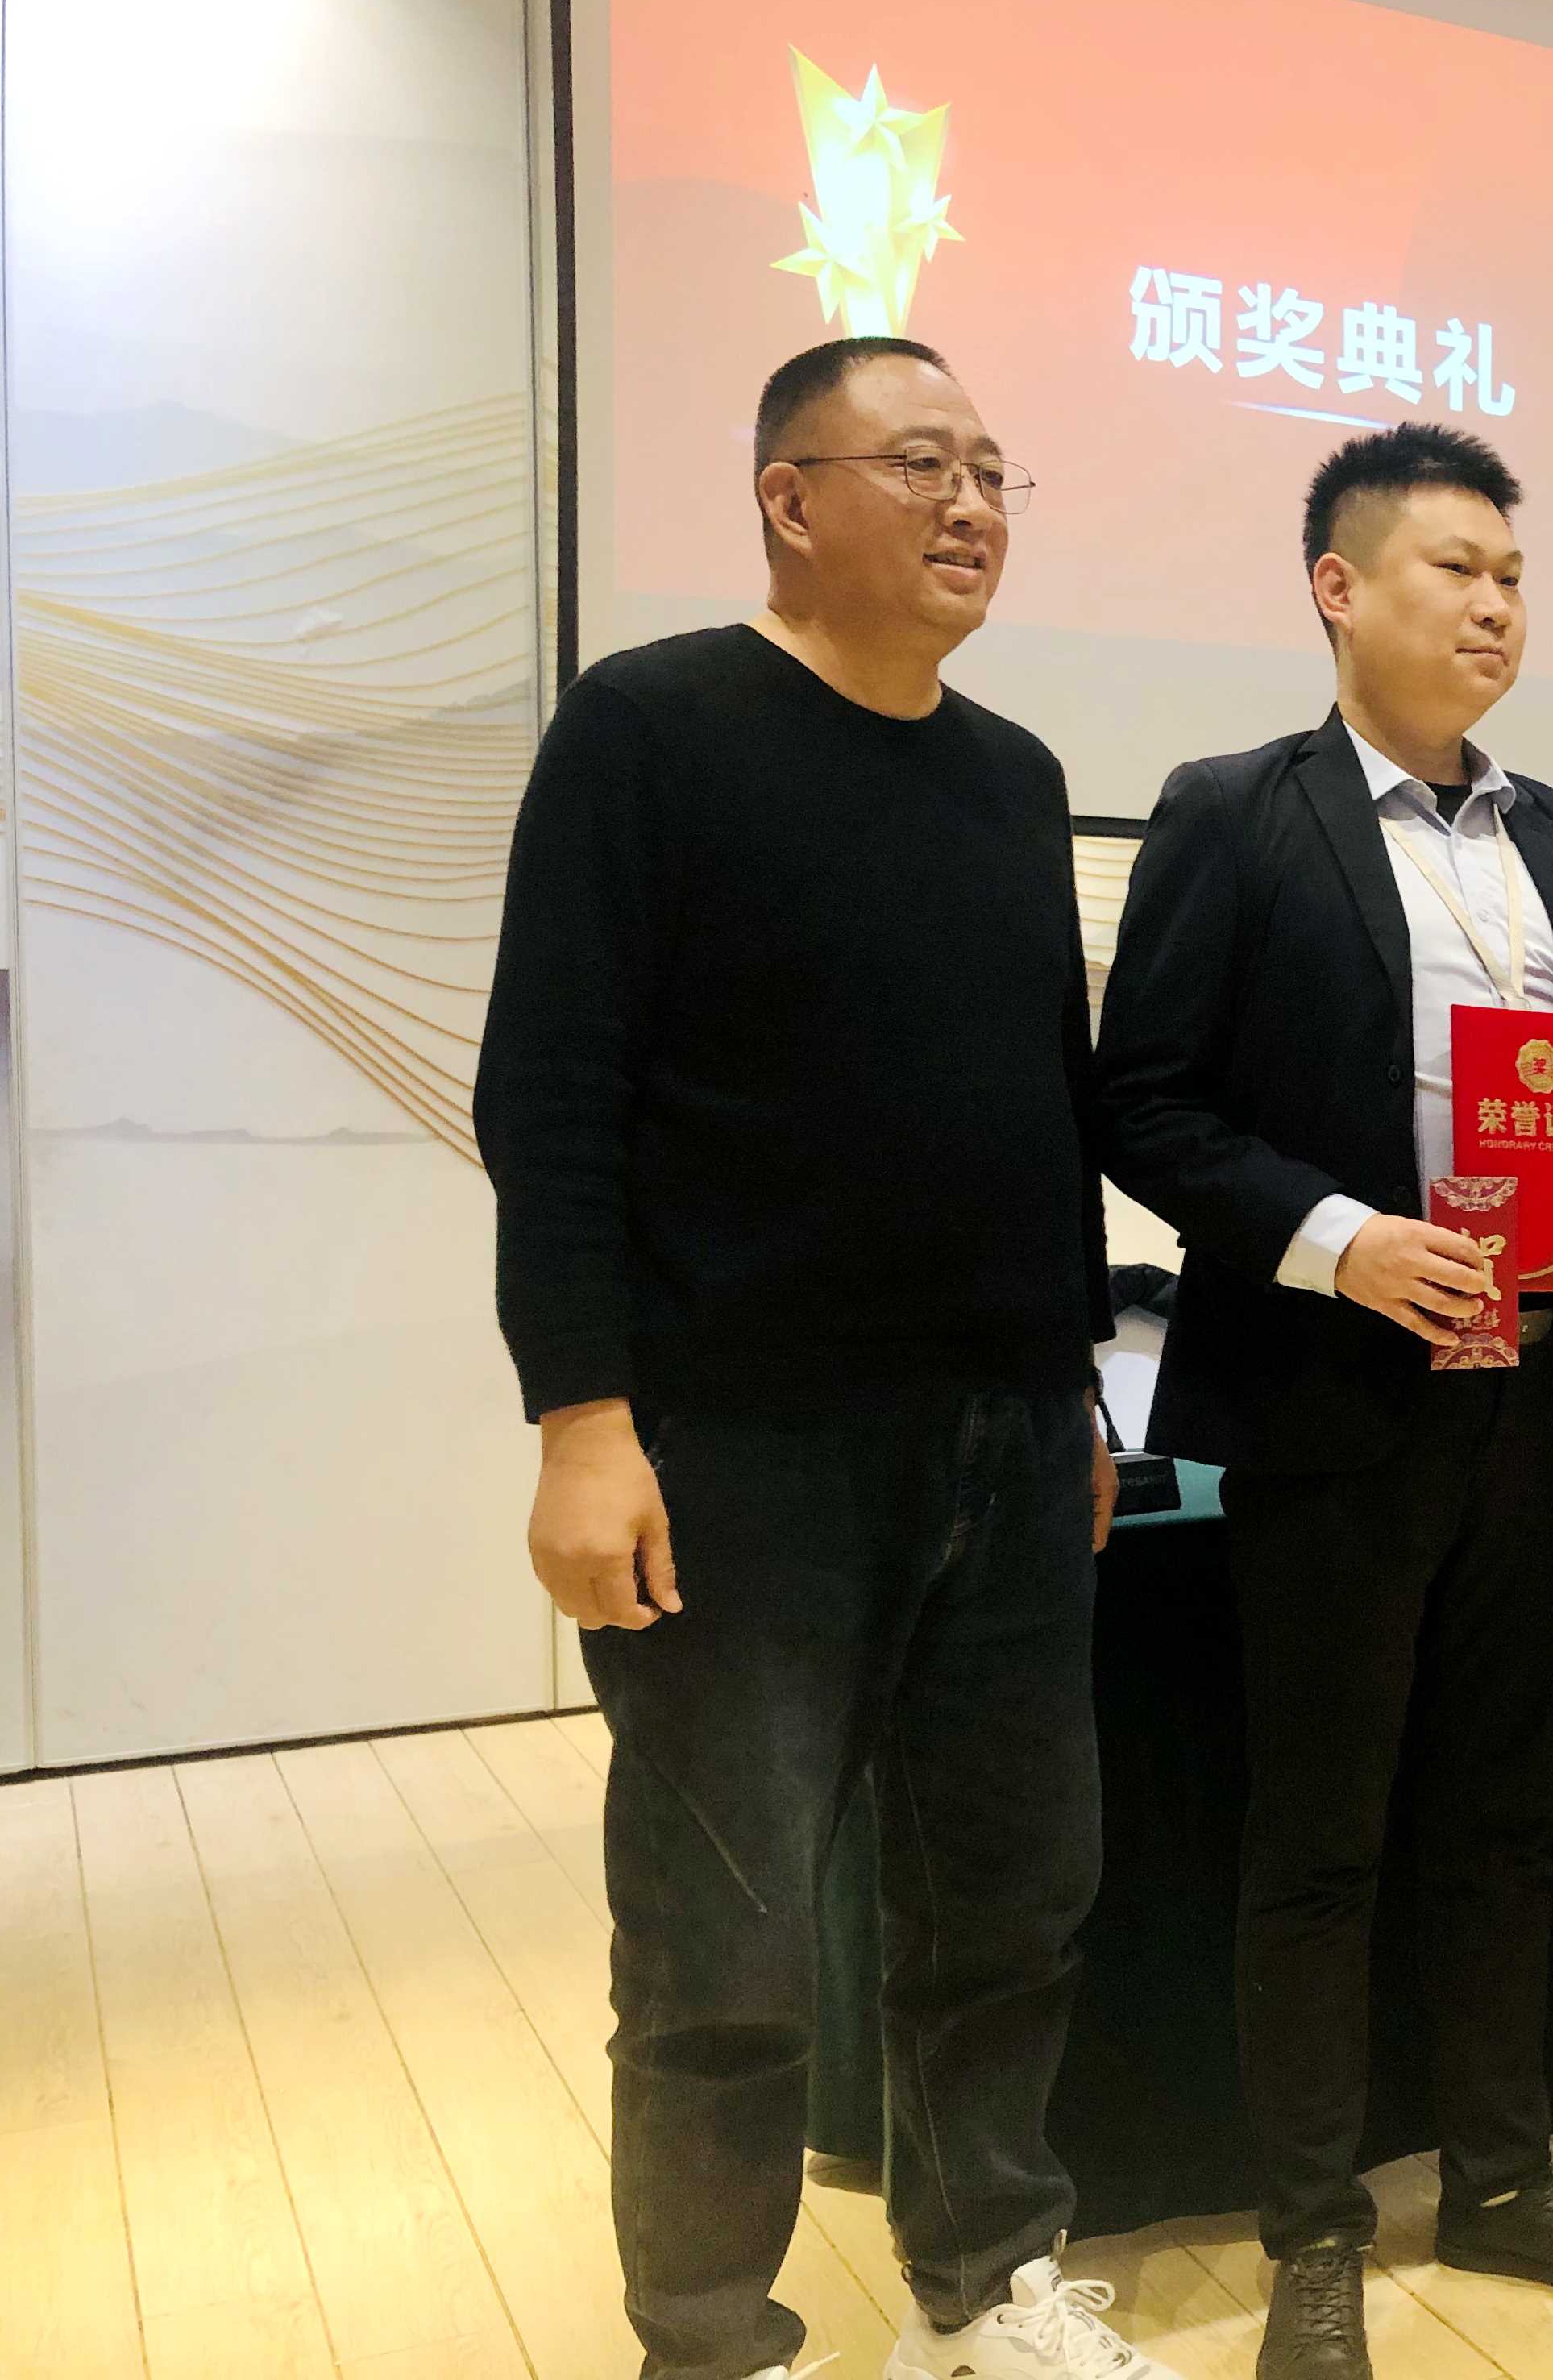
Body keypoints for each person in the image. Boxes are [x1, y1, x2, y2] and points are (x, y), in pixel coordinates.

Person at [478, 337, 1167, 2380]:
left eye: (995, 469)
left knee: (1012, 1902)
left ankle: (989, 2290)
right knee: (730, 1941)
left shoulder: (1013, 775)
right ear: (789, 496)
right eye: (922, 463)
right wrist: (582, 1420)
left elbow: (1038, 1114)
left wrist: (1074, 1384)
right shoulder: (652, 726)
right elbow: (552, 1095)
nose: (973, 505)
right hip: (740, 1449)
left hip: (1008, 1438)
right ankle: (710, 2339)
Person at [1093, 425, 1553, 2380]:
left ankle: (1505, 2180)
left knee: (1508, 1816)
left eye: (1514, 574)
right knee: (1321, 1837)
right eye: (1457, 568)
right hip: (1334, 1405)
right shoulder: (1233, 811)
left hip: (1540, 1398)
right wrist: (1340, 1240)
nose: (1497, 605)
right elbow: (1144, 1102)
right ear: (1338, 589)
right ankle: (1313, 2232)